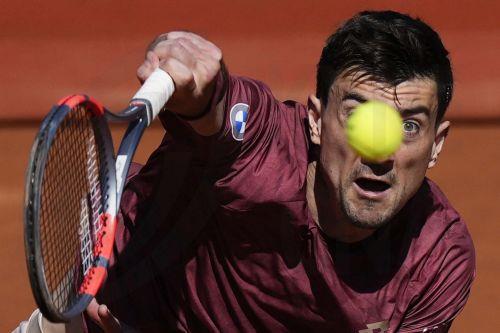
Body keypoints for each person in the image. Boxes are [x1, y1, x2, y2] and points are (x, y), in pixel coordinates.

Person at [15, 10, 475, 333]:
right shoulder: (263, 147)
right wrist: (193, 76)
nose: (380, 153)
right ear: (315, 121)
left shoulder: (437, 260)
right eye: (358, 118)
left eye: (410, 125)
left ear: (436, 144)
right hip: (120, 303)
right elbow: (217, 106)